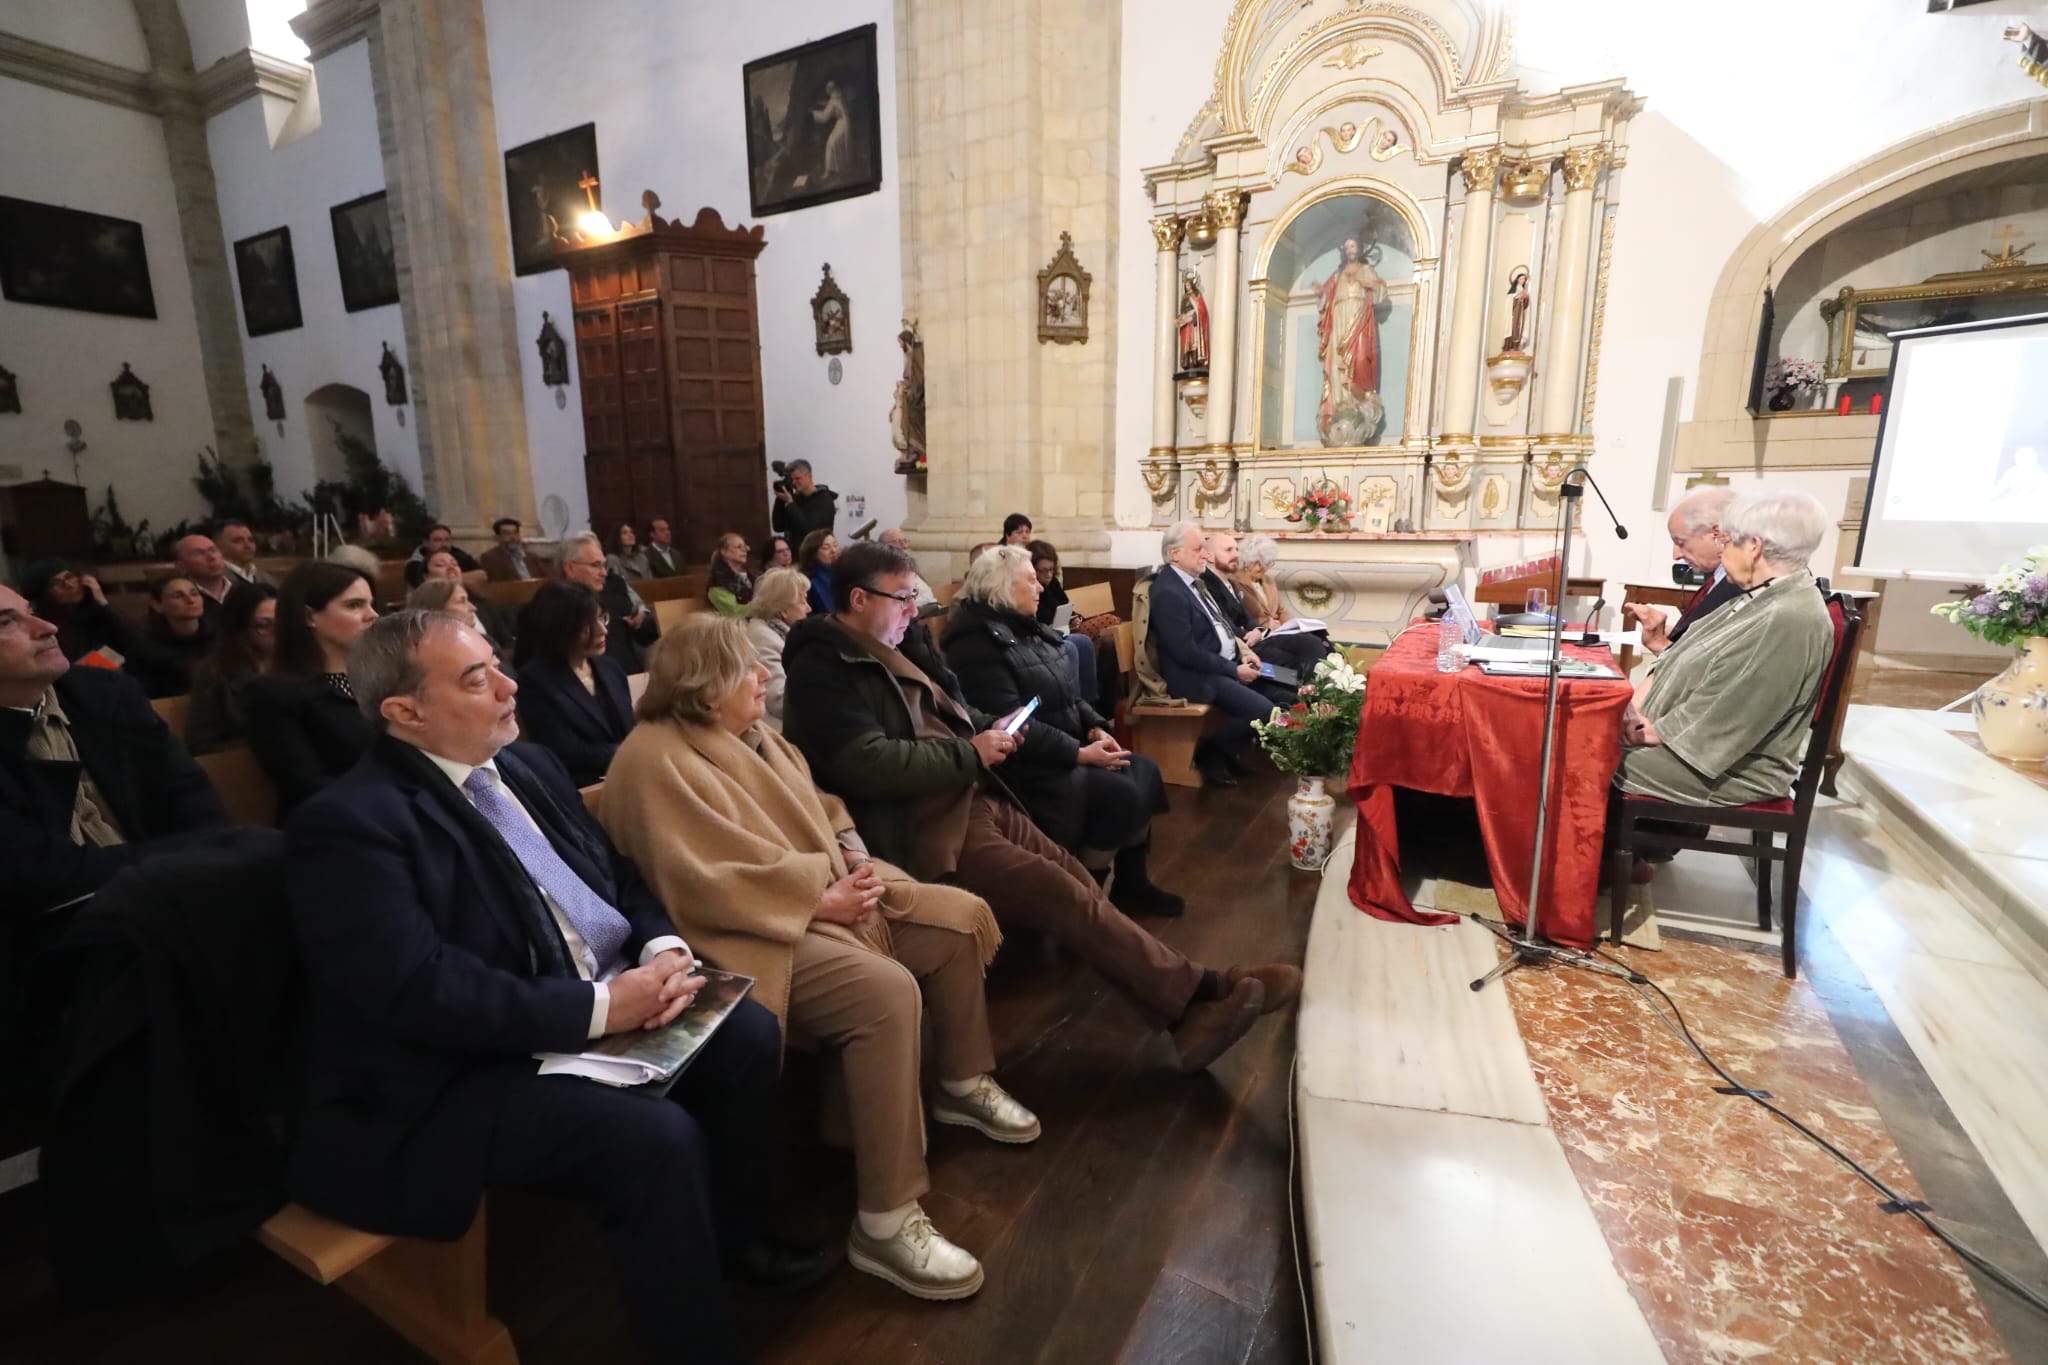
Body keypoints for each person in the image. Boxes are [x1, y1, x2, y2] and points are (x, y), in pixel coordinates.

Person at [284, 610, 825, 1365]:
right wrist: (604, 1008)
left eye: (498, 664)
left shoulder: (530, 768)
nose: (510, 685)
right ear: (404, 711)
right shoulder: (350, 822)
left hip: (597, 995)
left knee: (749, 1033)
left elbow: (619, 878)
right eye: (478, 679)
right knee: (650, 1141)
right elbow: (419, 989)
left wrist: (663, 947)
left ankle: (739, 1243)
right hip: (470, 1063)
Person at [602, 616, 1033, 1301]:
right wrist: (817, 896)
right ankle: (886, 1217)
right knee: (883, 990)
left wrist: (854, 856)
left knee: (955, 923)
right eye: (748, 668)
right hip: (746, 931)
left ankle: (961, 1081)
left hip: (821, 893)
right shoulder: (653, 757)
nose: (764, 675)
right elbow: (700, 878)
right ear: (707, 686)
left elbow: (825, 805)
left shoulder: (758, 736)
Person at [781, 541, 1297, 1073]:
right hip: (919, 824)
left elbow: (955, 709)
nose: (915, 611)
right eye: (904, 599)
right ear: (859, 598)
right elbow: (865, 764)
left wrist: (993, 727)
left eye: (915, 598)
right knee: (1061, 893)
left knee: (1075, 879)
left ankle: (1194, 999)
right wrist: (970, 751)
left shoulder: (900, 641)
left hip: (968, 793)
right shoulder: (823, 665)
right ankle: (1198, 998)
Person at [942, 547, 1181, 917]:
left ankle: (1133, 885)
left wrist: (1095, 729)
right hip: (1028, 765)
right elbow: (1010, 724)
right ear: (1002, 587)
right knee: (1118, 791)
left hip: (1066, 749)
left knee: (1143, 769)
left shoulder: (1026, 627)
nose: (1040, 588)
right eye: (1030, 580)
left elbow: (1067, 693)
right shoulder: (976, 645)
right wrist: (1079, 753)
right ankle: (1084, 896)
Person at [0, 584, 228, 918]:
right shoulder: (275, 681)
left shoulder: (105, 692)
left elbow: (187, 791)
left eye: (31, 612)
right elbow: (39, 873)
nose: (48, 627)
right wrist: (202, 855)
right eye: (6, 623)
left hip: (168, 887)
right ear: (309, 618)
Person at [1617, 486, 1835, 807]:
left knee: (1584, 759)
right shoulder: (1763, 595)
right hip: (1704, 749)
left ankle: (1595, 855)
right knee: (1582, 742)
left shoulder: (1787, 616)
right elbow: (1701, 662)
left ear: (1753, 546)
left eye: (1728, 541)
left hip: (1732, 771)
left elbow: (1734, 713)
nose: (1724, 551)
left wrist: (1649, 731)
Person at [1148, 522, 1282, 788]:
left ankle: (1226, 752)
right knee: (1264, 710)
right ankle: (1210, 753)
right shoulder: (1168, 591)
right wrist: (1233, 670)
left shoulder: (1193, 583)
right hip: (1193, 676)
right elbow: (1184, 651)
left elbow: (1221, 626)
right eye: (1198, 549)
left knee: (1278, 690)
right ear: (1174, 554)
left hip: (1219, 665)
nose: (1205, 555)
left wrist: (1242, 655)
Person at [245, 562, 380, 818]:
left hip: (397, 814)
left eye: (371, 604)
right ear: (309, 617)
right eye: (354, 605)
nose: (372, 614)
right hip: (336, 823)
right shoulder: (273, 694)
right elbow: (305, 784)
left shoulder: (378, 677)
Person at [513, 581, 635, 787]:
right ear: (559, 629)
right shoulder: (534, 680)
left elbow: (629, 727)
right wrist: (632, 752)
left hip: (627, 770)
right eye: (588, 626)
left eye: (602, 618)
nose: (602, 630)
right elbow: (566, 751)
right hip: (584, 784)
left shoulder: (609, 667)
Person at [1624, 487, 1741, 655]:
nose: (1676, 555)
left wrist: (1660, 645)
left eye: (1681, 542)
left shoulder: (1740, 585)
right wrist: (1676, 635)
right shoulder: (1717, 576)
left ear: (1718, 534)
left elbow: (1716, 660)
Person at [1206, 531, 1330, 675]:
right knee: (1301, 655)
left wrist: (1269, 629)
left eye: (1236, 550)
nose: (1263, 567)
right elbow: (1229, 622)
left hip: (1264, 634)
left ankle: (1321, 687)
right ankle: (1308, 689)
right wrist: (1261, 629)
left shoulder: (1262, 581)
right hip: (1246, 644)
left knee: (1316, 640)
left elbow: (1274, 612)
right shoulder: (1230, 581)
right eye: (1258, 563)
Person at [185, 582, 279, 754]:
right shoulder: (214, 673)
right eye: (264, 626)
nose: (279, 631)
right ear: (240, 629)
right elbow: (201, 745)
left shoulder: (304, 663)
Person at [560, 531, 659, 673]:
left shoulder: (615, 585)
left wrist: (642, 620)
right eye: (595, 565)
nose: (603, 573)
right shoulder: (557, 604)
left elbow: (639, 635)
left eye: (604, 566)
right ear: (570, 568)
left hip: (628, 670)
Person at [22, 560, 132, 663]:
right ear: (44, 596)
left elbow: (133, 644)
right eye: (56, 583)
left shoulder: (96, 612)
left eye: (69, 577)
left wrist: (102, 602)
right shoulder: (50, 630)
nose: (69, 585)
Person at [123, 576, 213, 700]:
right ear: (157, 605)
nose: (190, 600)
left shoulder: (222, 636)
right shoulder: (145, 648)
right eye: (178, 596)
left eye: (195, 594)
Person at [744, 567, 811, 731]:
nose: (809, 608)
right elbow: (779, 700)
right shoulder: (763, 639)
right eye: (802, 602)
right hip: (778, 731)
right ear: (783, 610)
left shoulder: (776, 631)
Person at [408, 576, 515, 667]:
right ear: (436, 609)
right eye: (461, 601)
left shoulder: (485, 641)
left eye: (468, 600)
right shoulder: (421, 658)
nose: (473, 608)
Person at [171, 534, 239, 622]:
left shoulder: (244, 590)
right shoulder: (180, 599)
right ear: (181, 566)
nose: (212, 557)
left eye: (213, 550)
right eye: (199, 553)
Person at [1231, 534, 1294, 629]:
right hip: (1255, 633)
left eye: (1268, 563)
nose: (1264, 568)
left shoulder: (1269, 581)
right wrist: (1266, 625)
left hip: (1278, 631)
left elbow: (1280, 611)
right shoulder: (1235, 582)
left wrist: (1289, 625)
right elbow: (1240, 617)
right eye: (1259, 563)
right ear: (1246, 560)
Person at [771, 459, 838, 543]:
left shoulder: (824, 499)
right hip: (795, 552)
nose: (794, 482)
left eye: (798, 478)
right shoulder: (795, 499)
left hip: (816, 552)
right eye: (792, 479)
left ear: (809, 476)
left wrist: (790, 503)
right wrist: (781, 499)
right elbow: (778, 526)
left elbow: (809, 531)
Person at [402, 524, 480, 588]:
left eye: (447, 539)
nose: (444, 544)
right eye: (437, 540)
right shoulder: (414, 564)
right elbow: (431, 588)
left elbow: (482, 574)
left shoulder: (458, 554)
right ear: (425, 542)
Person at [480, 517, 554, 582]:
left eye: (515, 532)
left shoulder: (531, 557)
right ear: (497, 537)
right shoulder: (490, 558)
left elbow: (548, 578)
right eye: (507, 533)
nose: (513, 537)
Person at [879, 529, 938, 608]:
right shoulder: (883, 572)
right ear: (885, 546)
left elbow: (926, 593)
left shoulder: (908, 566)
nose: (904, 546)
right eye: (898, 541)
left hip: (928, 608)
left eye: (905, 541)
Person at [217, 521, 278, 590]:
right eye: (238, 541)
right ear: (219, 546)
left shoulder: (268, 580)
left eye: (251, 540)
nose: (248, 545)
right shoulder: (216, 580)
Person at [799, 530, 840, 617]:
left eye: (835, 545)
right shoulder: (805, 579)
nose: (833, 550)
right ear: (813, 553)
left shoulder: (844, 571)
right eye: (826, 547)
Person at [709, 533, 755, 607]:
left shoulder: (753, 575)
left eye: (745, 547)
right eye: (739, 547)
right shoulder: (717, 581)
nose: (744, 550)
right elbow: (734, 611)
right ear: (724, 552)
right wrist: (761, 607)